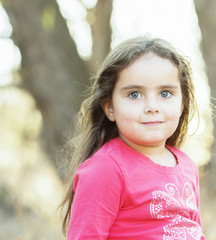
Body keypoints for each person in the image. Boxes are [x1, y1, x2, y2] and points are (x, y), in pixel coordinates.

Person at [60, 36, 206, 240]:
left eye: (165, 93)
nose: (152, 106)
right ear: (110, 107)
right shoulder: (106, 169)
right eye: (135, 94)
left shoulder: (187, 166)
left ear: (182, 104)